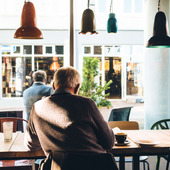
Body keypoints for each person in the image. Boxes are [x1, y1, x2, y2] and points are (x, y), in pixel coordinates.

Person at [24, 66, 117, 170]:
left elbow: (31, 145)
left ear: (54, 86)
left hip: (58, 166)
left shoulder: (37, 108)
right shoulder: (86, 104)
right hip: (95, 166)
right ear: (77, 88)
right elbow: (109, 142)